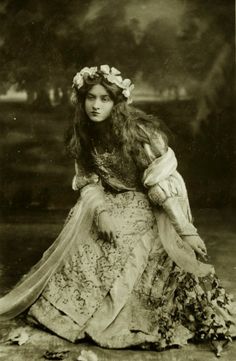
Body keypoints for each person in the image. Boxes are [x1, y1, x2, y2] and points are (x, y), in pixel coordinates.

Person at [0, 65, 235, 356]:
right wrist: (101, 212)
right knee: (87, 238)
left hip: (149, 202)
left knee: (122, 242)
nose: (96, 105)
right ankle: (74, 313)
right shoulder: (84, 133)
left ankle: (112, 318)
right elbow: (88, 182)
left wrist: (186, 231)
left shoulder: (140, 133)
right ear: (81, 99)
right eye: (90, 97)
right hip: (109, 201)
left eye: (104, 99)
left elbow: (161, 185)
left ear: (117, 102)